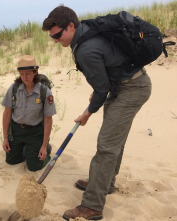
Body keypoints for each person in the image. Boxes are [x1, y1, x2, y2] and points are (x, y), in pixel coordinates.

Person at [42, 5, 152, 220]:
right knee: (113, 141)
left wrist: (87, 113)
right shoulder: (87, 31)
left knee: (106, 146)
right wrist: (101, 89)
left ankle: (92, 206)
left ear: (71, 26)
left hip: (132, 89)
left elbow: (101, 90)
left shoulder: (85, 49)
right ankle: (105, 183)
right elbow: (107, 67)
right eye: (52, 37)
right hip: (124, 84)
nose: (55, 41)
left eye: (57, 35)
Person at [1, 55, 56, 172]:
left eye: (28, 74)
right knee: (11, 160)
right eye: (22, 74)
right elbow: (7, 114)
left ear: (35, 72)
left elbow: (48, 119)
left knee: (34, 166)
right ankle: (27, 149)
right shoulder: (14, 88)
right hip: (17, 131)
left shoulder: (44, 91)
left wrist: (44, 146)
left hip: (35, 132)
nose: (25, 77)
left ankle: (44, 149)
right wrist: (5, 138)